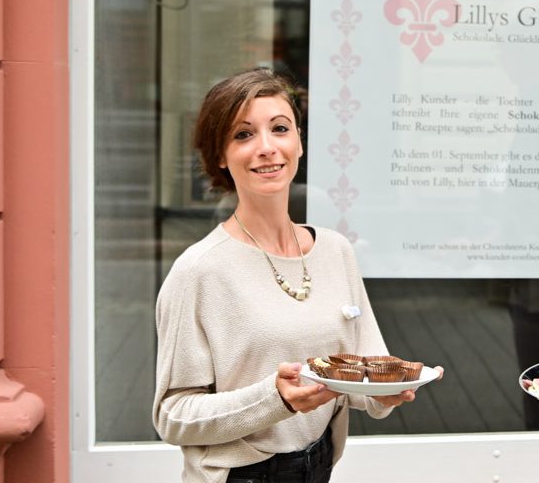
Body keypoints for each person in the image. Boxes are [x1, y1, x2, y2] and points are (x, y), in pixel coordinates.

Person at [153, 68, 438, 483]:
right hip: (241, 475)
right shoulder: (200, 271)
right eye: (243, 135)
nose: (267, 148)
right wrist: (274, 399)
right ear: (220, 155)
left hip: (319, 465)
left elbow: (365, 369)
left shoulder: (336, 251)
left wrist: (388, 390)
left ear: (299, 142)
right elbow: (172, 416)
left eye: (280, 128)